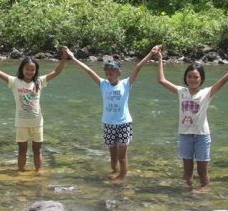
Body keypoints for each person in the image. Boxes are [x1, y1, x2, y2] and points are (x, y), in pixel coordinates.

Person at [155, 46, 228, 191]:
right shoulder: (181, 91)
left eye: (196, 77)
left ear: (201, 79)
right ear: (185, 78)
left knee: (202, 170)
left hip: (202, 135)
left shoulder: (206, 93)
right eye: (189, 76)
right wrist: (159, 59)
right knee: (187, 171)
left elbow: (225, 79)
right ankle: (188, 190)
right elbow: (161, 80)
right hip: (185, 135)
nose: (192, 79)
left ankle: (204, 189)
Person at [66, 46, 160, 180]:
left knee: (122, 155)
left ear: (119, 73)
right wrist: (72, 57)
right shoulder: (103, 84)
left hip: (124, 123)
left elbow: (138, 67)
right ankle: (114, 171)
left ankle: (122, 176)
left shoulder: (126, 84)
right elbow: (87, 70)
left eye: (112, 74)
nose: (109, 77)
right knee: (112, 154)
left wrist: (151, 53)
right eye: (107, 74)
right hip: (108, 124)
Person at [0, 46, 67, 174]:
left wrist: (64, 58)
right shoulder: (15, 82)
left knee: (37, 150)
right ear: (22, 69)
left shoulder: (39, 82)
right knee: (22, 150)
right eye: (27, 69)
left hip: (37, 123)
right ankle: (20, 170)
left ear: (36, 71)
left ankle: (39, 170)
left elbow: (56, 72)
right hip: (21, 123)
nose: (30, 72)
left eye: (32, 70)